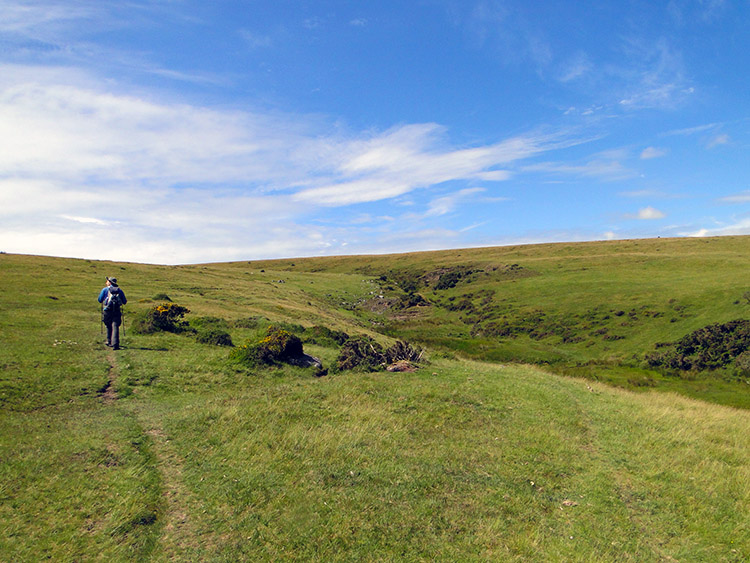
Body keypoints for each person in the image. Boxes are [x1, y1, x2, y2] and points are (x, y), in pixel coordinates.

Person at [98, 276, 127, 350]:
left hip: (107, 310)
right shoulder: (119, 290)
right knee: (115, 326)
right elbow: (124, 301)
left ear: (110, 282)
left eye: (107, 281)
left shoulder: (105, 290)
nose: (106, 282)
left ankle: (109, 341)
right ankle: (116, 344)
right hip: (116, 310)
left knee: (108, 325)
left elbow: (100, 299)